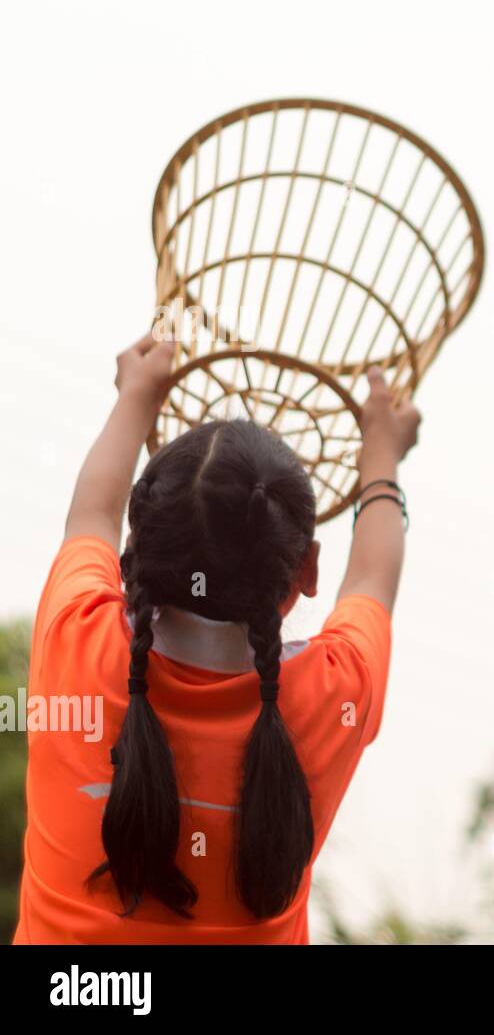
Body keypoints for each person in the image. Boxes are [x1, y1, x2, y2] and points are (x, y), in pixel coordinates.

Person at [13, 333, 420, 943]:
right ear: (306, 570)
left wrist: (135, 396)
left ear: (134, 547)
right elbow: (371, 578)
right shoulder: (333, 693)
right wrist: (381, 458)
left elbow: (91, 512)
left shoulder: (76, 641)